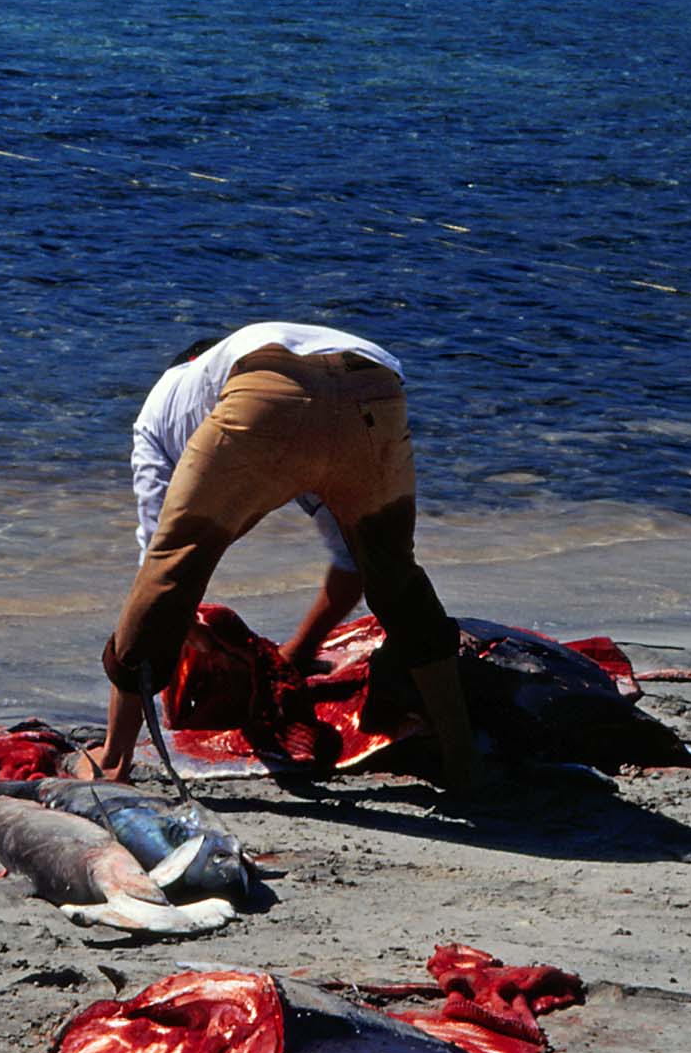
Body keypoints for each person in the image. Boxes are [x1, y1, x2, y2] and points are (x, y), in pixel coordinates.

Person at [81, 322, 482, 791]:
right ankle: (463, 759)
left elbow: (159, 567)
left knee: (168, 572)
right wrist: (296, 654)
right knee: (396, 578)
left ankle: (112, 759)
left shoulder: (161, 407)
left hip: (267, 393)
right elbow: (351, 564)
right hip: (375, 384)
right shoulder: (257, 351)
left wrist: (189, 631)